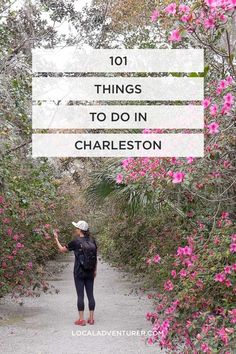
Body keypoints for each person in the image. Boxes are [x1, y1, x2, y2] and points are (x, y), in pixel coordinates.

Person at [53, 220, 97, 326]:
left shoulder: (76, 241)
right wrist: (95, 270)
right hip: (90, 271)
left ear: (80, 230)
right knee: (90, 295)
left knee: (80, 295)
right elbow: (95, 257)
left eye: (76, 228)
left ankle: (81, 320)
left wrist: (56, 239)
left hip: (79, 272)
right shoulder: (92, 240)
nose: (75, 229)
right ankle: (91, 319)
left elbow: (62, 250)